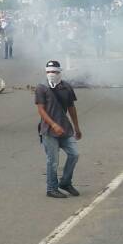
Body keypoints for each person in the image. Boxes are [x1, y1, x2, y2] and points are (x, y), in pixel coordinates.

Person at [35, 60, 82, 198]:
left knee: (74, 154)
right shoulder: (41, 88)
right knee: (53, 161)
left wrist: (77, 127)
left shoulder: (66, 87)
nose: (51, 74)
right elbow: (41, 110)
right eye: (49, 72)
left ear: (60, 72)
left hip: (65, 129)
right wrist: (53, 124)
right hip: (48, 131)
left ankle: (66, 182)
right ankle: (51, 188)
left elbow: (71, 108)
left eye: (54, 72)